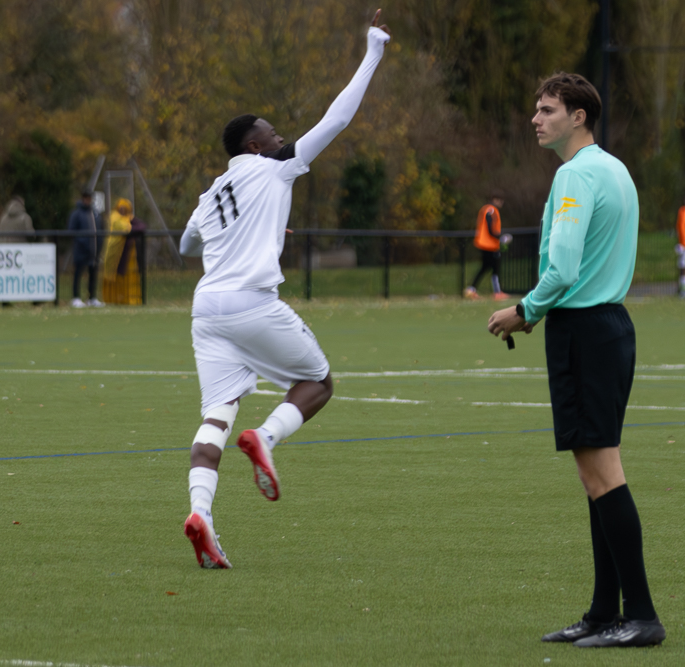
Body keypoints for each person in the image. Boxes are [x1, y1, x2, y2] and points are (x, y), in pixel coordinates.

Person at [178, 10, 391, 569]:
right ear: (253, 145)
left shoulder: (211, 193)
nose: (280, 135)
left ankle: (201, 514)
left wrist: (252, 228)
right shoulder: (274, 169)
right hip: (250, 303)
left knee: (214, 416)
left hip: (207, 313)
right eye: (271, 131)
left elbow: (185, 245)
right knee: (317, 381)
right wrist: (372, 51)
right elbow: (338, 118)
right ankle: (267, 438)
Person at [487, 72, 665, 648]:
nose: (536, 120)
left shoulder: (575, 174)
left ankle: (639, 616)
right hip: (610, 326)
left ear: (578, 116)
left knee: (602, 474)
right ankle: (603, 613)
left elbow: (561, 272)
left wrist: (525, 310)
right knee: (596, 478)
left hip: (584, 330)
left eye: (547, 110)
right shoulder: (615, 169)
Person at [464, 191, 509, 300]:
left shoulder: (485, 209)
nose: (501, 203)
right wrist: (500, 237)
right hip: (490, 244)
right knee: (495, 268)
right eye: (500, 200)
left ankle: (471, 289)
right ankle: (497, 292)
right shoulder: (491, 210)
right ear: (495, 199)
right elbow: (490, 228)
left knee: (485, 267)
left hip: (484, 243)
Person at [67, 189, 104, 308]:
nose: (88, 200)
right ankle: (76, 297)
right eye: (86, 198)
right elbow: (71, 231)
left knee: (93, 274)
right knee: (78, 274)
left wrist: (99, 244)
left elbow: (100, 230)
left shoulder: (95, 214)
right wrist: (83, 242)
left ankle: (92, 297)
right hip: (81, 250)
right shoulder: (77, 214)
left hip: (94, 251)